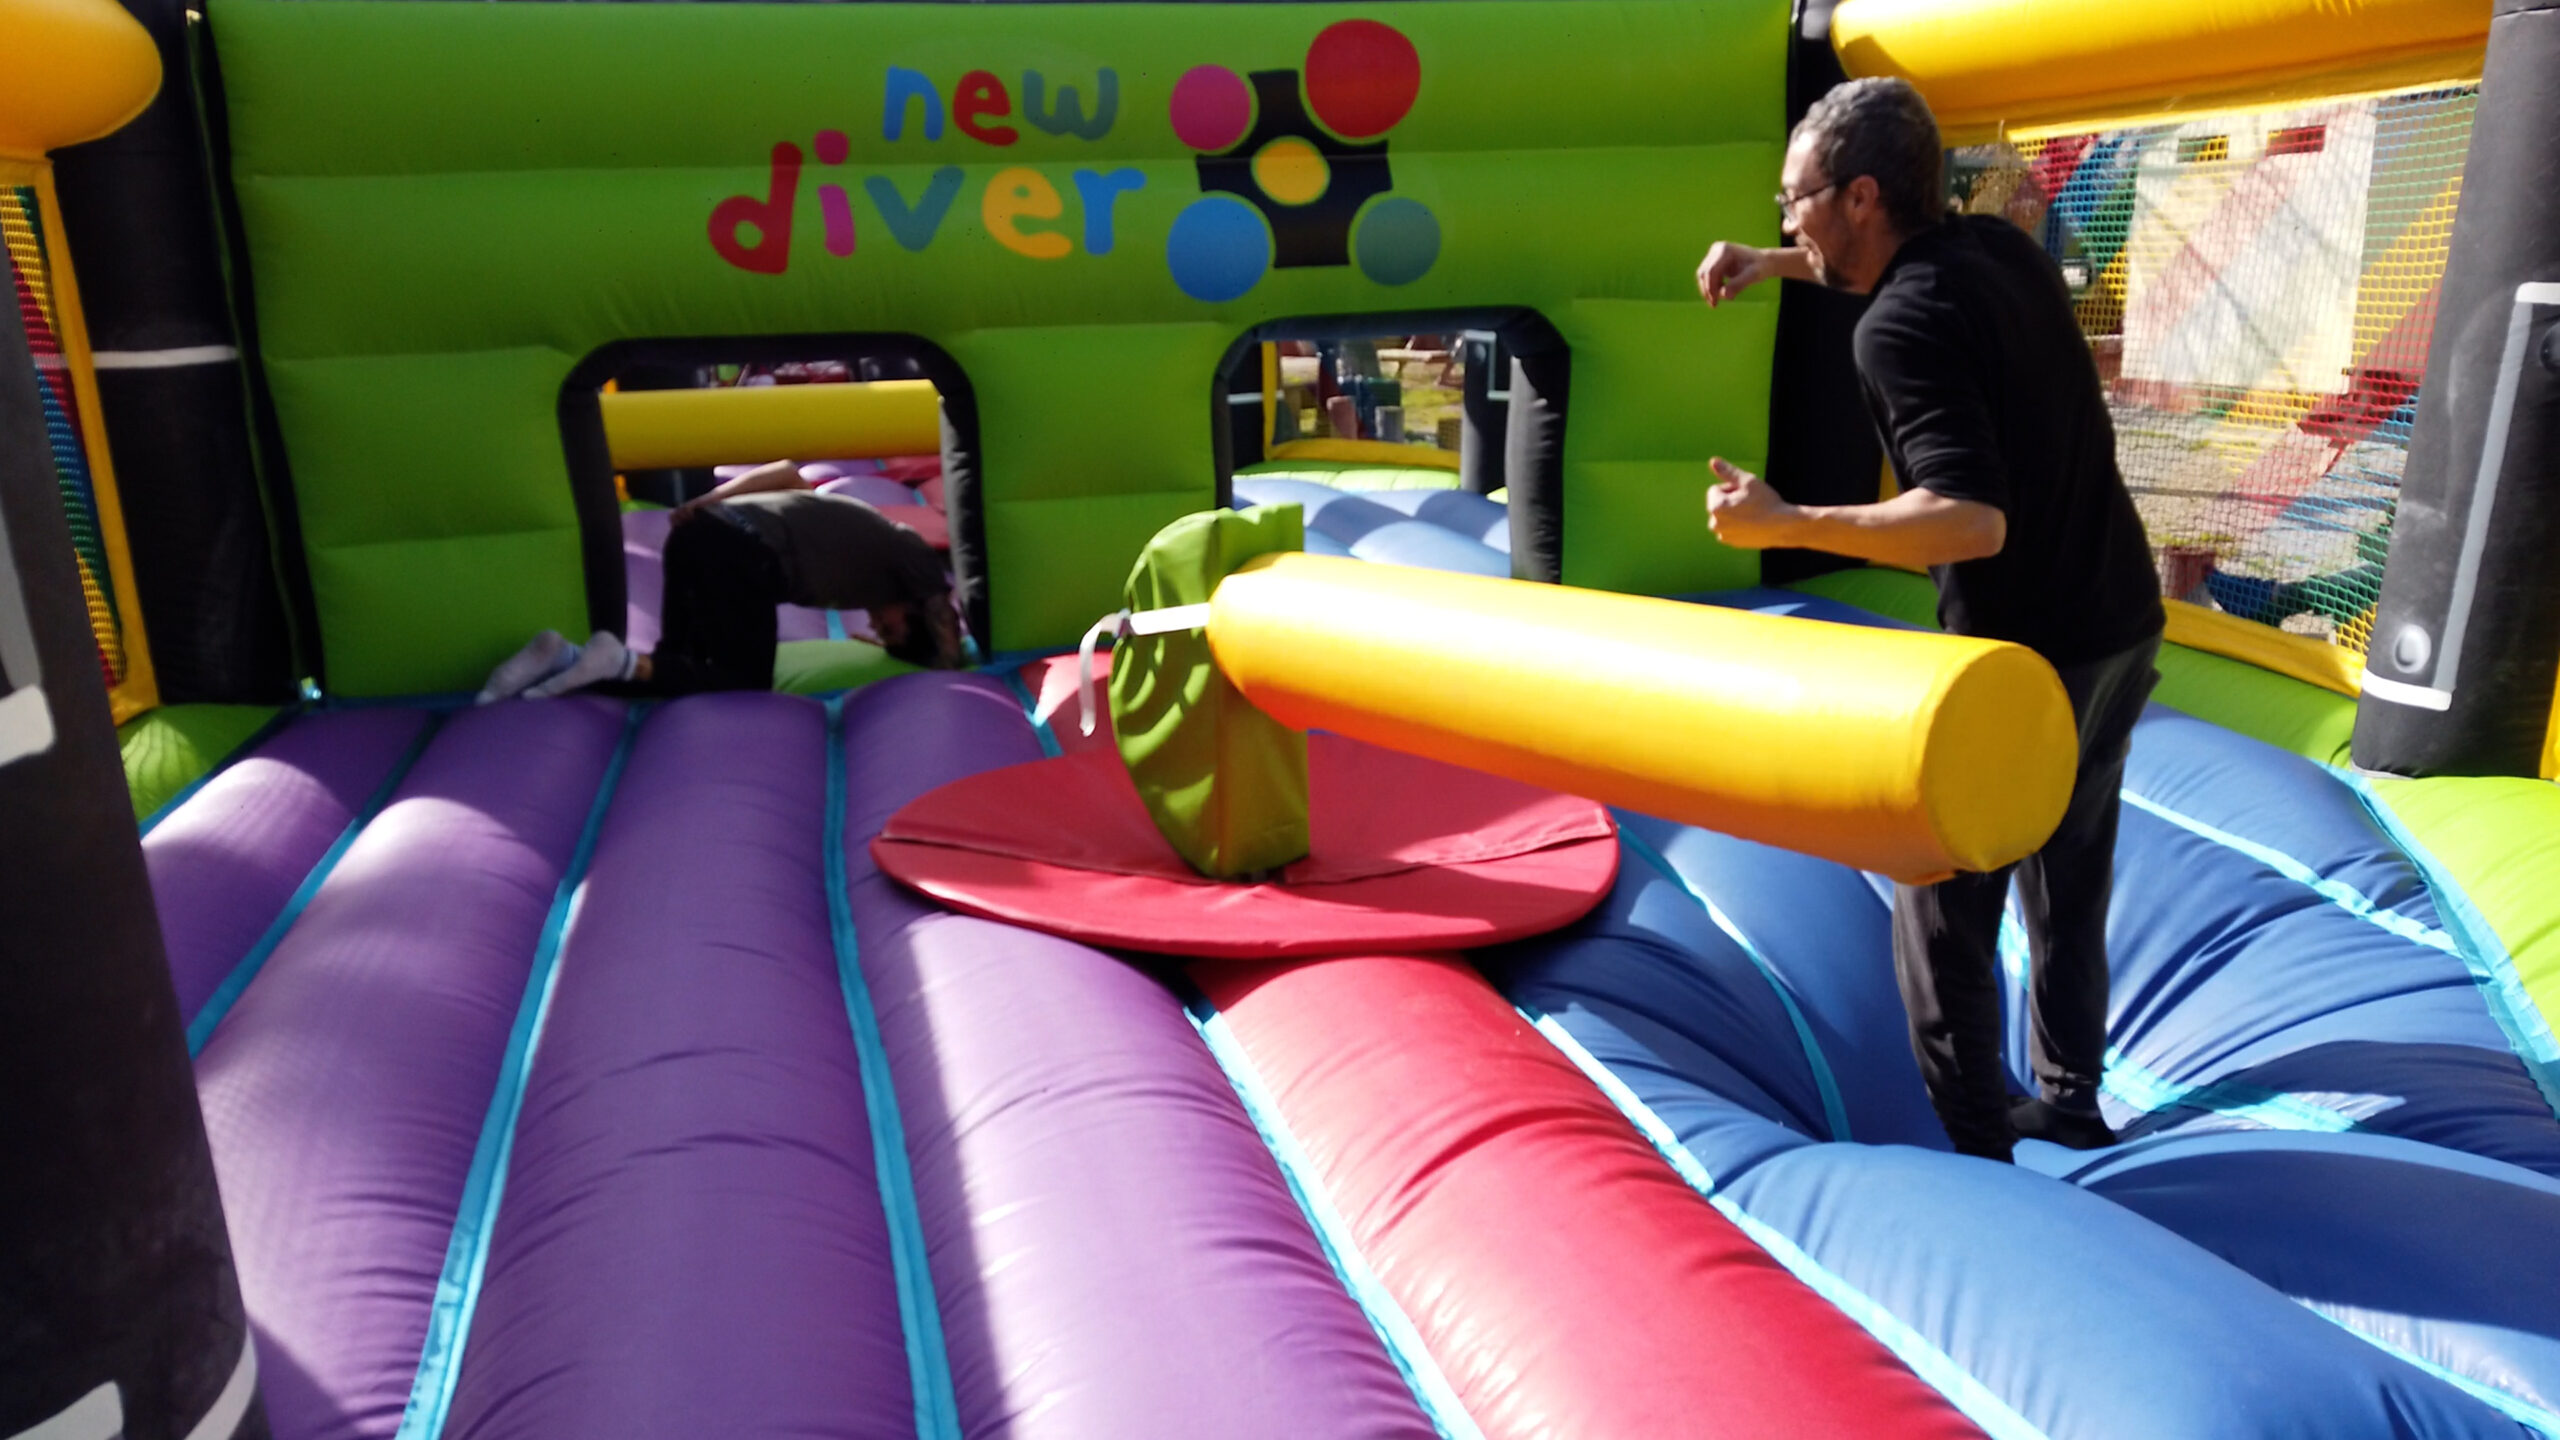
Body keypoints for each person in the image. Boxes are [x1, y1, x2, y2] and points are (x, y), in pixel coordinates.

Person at [1693, 77, 2165, 1162]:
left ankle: (1974, 1155)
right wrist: (1766, 262)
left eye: (1792, 201)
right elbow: (1855, 264)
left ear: (1859, 196)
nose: (1786, 220)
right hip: (2119, 616)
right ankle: (2070, 1097)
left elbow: (1970, 520)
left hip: (2032, 653)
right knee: (2068, 869)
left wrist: (1786, 520)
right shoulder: (1999, 252)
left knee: (1939, 892)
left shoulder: (1895, 330)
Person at [478, 459, 964, 702]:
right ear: (914, 606)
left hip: (699, 536)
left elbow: (786, 476)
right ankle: (612, 657)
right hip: (741, 553)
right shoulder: (906, 551)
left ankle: (558, 658)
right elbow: (941, 610)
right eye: (891, 627)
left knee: (673, 671)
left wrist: (707, 504)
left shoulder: (859, 549)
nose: (876, 626)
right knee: (746, 682)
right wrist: (952, 666)